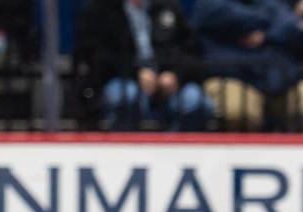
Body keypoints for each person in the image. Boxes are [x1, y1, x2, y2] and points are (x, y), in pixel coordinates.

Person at [190, 0, 303, 131]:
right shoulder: (208, 4)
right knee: (240, 112)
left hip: (275, 79)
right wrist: (272, 24)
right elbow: (228, 17)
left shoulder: (269, 3)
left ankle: (291, 154)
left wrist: (265, 36)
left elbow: (292, 24)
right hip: (230, 77)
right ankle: (243, 157)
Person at [75, 0, 213, 131]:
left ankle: (176, 152)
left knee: (195, 101)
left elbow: (193, 51)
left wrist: (176, 74)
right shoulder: (102, 8)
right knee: (127, 96)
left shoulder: (168, 6)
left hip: (168, 82)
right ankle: (124, 151)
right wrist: (136, 73)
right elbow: (97, 55)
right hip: (121, 78)